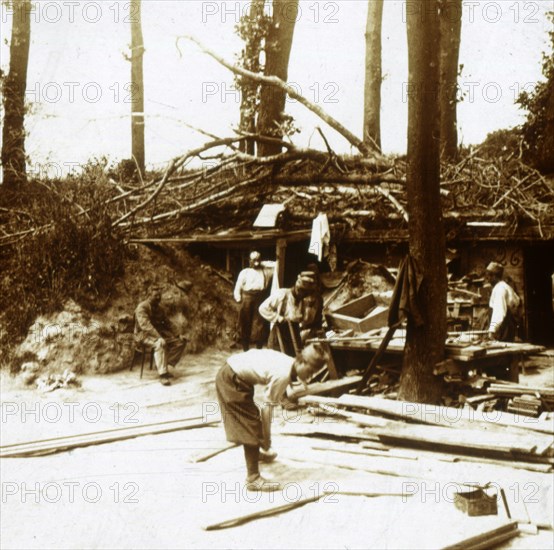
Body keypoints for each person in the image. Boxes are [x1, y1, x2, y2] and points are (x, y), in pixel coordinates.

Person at [215, 343, 329, 491]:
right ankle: (253, 478)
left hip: (234, 372)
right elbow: (266, 409)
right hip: (231, 378)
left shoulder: (289, 363)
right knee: (251, 424)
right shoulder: (284, 373)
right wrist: (267, 439)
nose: (310, 376)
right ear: (302, 362)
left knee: (254, 421)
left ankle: (258, 453)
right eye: (310, 371)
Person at [134, 284, 187, 386]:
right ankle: (163, 375)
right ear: (149, 295)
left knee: (181, 342)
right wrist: (158, 337)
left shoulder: (159, 308)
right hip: (143, 336)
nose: (158, 298)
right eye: (155, 296)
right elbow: (145, 325)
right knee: (160, 343)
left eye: (159, 296)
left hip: (157, 334)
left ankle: (165, 366)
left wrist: (178, 334)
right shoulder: (142, 307)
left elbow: (167, 323)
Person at [258, 271, 317, 355]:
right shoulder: (282, 294)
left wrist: (309, 308)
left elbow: (306, 320)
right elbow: (263, 308)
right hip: (280, 333)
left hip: (295, 333)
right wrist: (278, 318)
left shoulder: (303, 300)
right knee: (277, 360)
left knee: (293, 359)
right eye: (304, 293)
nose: (305, 296)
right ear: (298, 289)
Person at [234, 251, 275, 351]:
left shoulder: (266, 271)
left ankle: (259, 347)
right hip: (247, 296)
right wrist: (238, 298)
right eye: (253, 260)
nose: (255, 263)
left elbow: (277, 264)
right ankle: (245, 347)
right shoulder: (245, 272)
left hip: (260, 297)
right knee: (245, 321)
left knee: (260, 322)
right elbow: (238, 286)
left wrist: (263, 263)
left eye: (257, 260)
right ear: (249, 260)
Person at [485, 262, 521, 342]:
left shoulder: (500, 289)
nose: (487, 279)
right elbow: (517, 300)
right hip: (507, 327)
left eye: (488, 276)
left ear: (494, 276)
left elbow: (499, 312)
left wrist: (492, 330)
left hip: (503, 330)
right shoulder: (505, 286)